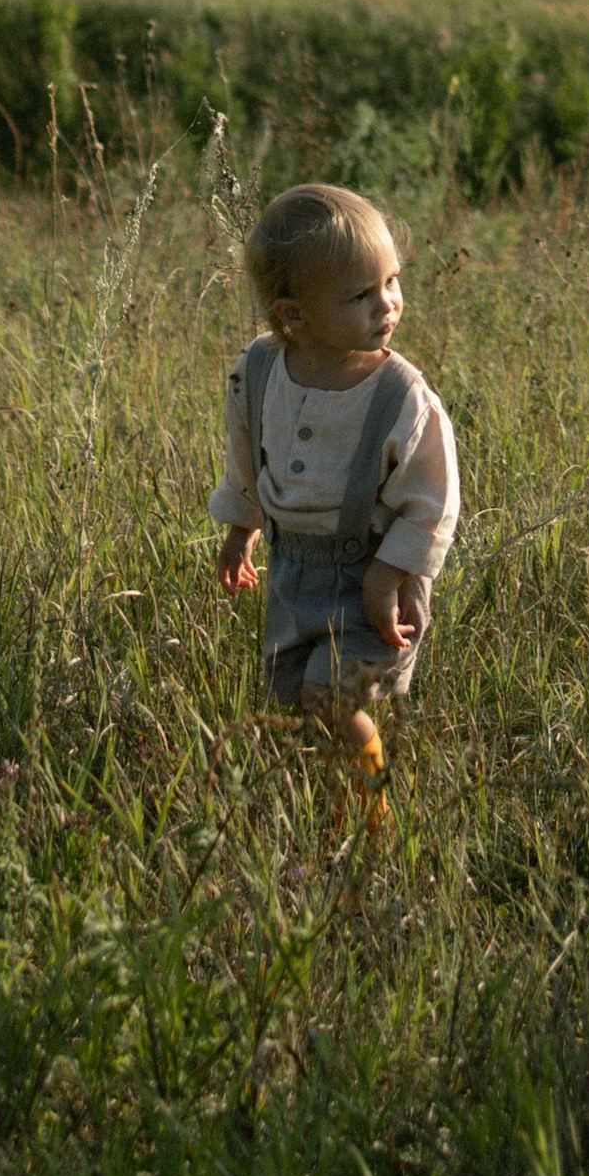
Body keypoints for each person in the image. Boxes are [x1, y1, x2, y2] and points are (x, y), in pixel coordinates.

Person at [213, 180, 460, 766]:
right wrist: (240, 528)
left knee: (331, 699)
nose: (388, 304)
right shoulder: (261, 370)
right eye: (360, 295)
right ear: (293, 314)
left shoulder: (401, 396)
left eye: (392, 281)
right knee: (300, 702)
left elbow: (432, 502)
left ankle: (374, 812)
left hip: (370, 577)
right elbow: (249, 458)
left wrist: (386, 576)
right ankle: (335, 812)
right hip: (292, 572)